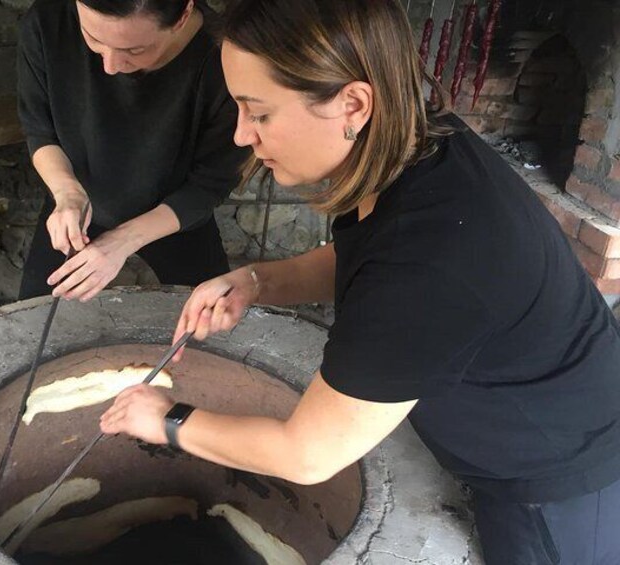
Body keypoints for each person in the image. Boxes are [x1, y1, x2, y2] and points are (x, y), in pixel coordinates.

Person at [98, 0, 620, 563]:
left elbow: (307, 455)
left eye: (259, 113)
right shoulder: (418, 148)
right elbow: (366, 258)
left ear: (352, 103)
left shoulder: (431, 259)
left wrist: (167, 420)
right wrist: (255, 281)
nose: (242, 135)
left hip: (558, 478)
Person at [16, 0, 249, 301]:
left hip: (175, 214)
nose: (110, 66)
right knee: (34, 324)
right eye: (94, 39)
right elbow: (39, 129)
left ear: (182, 17)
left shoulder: (223, 56)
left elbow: (212, 181)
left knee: (209, 327)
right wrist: (67, 193)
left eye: (135, 50)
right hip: (77, 208)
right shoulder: (46, 22)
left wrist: (123, 241)